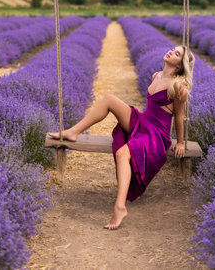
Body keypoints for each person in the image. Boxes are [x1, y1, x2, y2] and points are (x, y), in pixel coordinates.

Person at [49, 45, 195, 230]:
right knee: (110, 99)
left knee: (122, 154)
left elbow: (180, 117)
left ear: (180, 65)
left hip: (155, 134)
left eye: (176, 54)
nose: (170, 52)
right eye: (172, 49)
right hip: (143, 121)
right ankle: (73, 131)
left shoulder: (178, 87)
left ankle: (119, 207)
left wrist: (180, 142)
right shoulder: (156, 75)